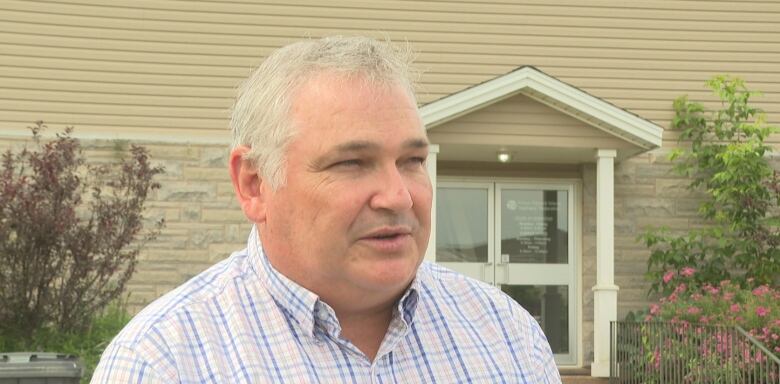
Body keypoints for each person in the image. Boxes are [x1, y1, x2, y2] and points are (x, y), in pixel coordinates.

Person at [92, 36, 561, 383]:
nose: (398, 196)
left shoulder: (506, 334)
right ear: (254, 184)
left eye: (412, 160)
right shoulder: (163, 362)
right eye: (352, 163)